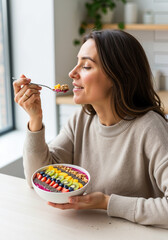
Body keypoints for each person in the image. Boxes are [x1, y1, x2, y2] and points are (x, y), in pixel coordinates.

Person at [13, 29, 168, 229]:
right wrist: (35, 119)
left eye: (86, 66)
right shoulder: (80, 119)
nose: (72, 73)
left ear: (118, 76)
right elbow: (39, 178)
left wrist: (107, 202)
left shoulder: (150, 127)